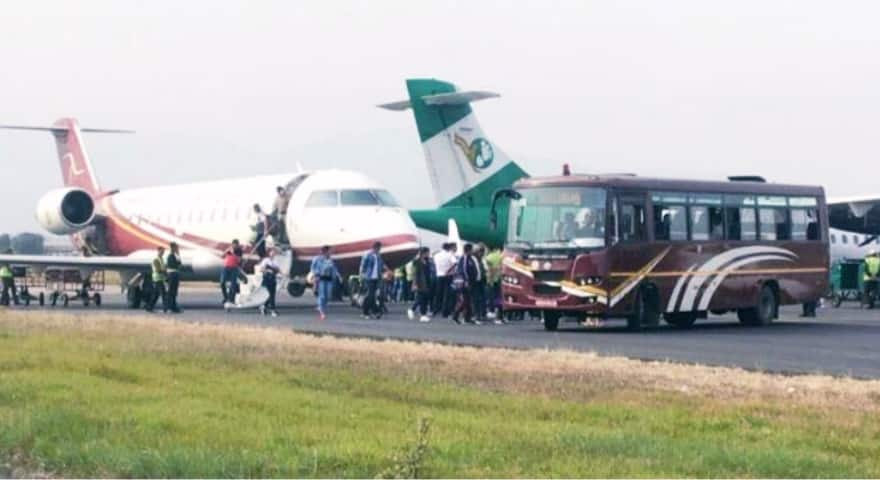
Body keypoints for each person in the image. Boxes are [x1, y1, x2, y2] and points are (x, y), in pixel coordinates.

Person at [452, 243, 481, 325]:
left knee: (468, 300)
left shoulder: (471, 258)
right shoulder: (464, 258)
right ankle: (456, 315)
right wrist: (466, 281)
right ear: (468, 250)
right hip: (466, 282)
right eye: (471, 249)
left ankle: (467, 317)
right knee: (465, 300)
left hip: (472, 282)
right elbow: (464, 270)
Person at [310, 245, 341, 320]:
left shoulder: (330, 260)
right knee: (322, 295)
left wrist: (338, 276)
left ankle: (322, 307)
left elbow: (334, 269)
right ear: (325, 252)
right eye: (330, 251)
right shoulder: (317, 259)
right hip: (321, 278)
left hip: (329, 279)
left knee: (328, 295)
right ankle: (321, 311)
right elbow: (313, 268)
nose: (331, 252)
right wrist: (315, 276)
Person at [359, 241, 384, 319]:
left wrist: (387, 270)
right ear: (375, 247)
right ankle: (375, 312)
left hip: (376, 278)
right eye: (379, 248)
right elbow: (363, 265)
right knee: (371, 295)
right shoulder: (367, 255)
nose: (380, 250)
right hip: (369, 277)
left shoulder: (378, 256)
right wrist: (362, 274)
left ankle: (365, 312)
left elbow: (381, 265)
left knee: (370, 296)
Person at [407, 247, 433, 322]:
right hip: (420, 282)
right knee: (421, 299)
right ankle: (422, 314)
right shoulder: (417, 262)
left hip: (427, 282)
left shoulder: (427, 261)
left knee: (422, 298)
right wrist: (414, 284)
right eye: (428, 252)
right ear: (423, 253)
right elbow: (415, 274)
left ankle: (414, 310)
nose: (429, 254)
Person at [432, 243, 457, 317]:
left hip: (439, 275)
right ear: (449, 248)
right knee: (447, 294)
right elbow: (455, 263)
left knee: (438, 294)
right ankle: (445, 312)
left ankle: (435, 310)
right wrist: (449, 270)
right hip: (448, 276)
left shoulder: (436, 255)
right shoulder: (450, 255)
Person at [257, 248, 281, 317]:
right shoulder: (266, 260)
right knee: (271, 294)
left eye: (274, 253)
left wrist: (282, 274)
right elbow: (261, 269)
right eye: (272, 252)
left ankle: (263, 306)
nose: (273, 254)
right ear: (269, 253)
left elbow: (278, 270)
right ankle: (273, 310)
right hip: (267, 278)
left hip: (273, 278)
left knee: (272, 294)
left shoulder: (276, 262)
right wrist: (268, 270)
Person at [220, 240, 243, 304]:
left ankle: (231, 299)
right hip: (226, 267)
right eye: (233, 245)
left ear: (238, 245)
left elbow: (239, 261)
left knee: (233, 284)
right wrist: (226, 251)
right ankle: (225, 297)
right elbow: (222, 256)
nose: (235, 246)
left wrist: (233, 253)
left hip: (234, 268)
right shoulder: (229, 250)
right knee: (222, 282)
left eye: (236, 245)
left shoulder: (239, 251)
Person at [146, 246, 167, 313]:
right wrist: (165, 272)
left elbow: (163, 268)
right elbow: (158, 270)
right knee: (163, 294)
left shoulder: (162, 259)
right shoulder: (156, 259)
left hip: (160, 278)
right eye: (162, 251)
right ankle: (165, 308)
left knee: (156, 295)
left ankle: (149, 307)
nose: (163, 253)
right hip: (157, 279)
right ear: (158, 251)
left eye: (163, 251)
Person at [485, 248, 504, 323]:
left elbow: (490, 270)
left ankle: (495, 314)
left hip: (492, 280)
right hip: (501, 279)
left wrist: (490, 280)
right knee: (500, 299)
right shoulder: (502, 256)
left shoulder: (489, 257)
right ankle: (500, 316)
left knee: (493, 298)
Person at [472, 245, 489, 324]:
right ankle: (476, 315)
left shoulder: (481, 259)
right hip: (475, 281)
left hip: (481, 281)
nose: (482, 253)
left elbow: (485, 269)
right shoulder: (473, 259)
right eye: (481, 251)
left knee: (482, 298)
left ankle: (482, 314)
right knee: (476, 299)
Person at [165, 242, 183, 313]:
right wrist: (178, 255)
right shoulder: (170, 256)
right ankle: (169, 307)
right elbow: (178, 264)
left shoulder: (174, 255)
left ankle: (173, 307)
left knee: (174, 291)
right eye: (176, 247)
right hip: (172, 274)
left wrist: (178, 255)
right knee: (171, 291)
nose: (177, 249)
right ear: (173, 248)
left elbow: (179, 263)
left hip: (175, 274)